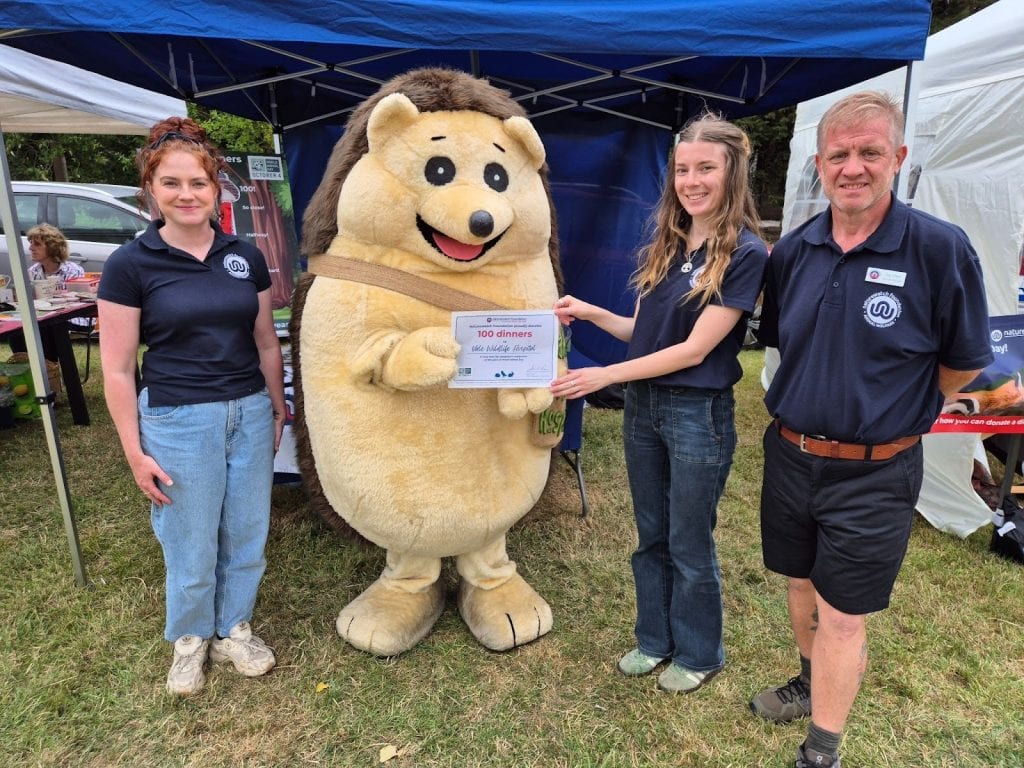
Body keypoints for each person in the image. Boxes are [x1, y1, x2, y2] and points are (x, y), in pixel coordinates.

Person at [751, 91, 993, 768]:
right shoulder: (794, 250)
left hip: (877, 469)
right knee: (799, 583)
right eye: (839, 155)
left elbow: (965, 362)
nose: (852, 167)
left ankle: (821, 749)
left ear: (899, 159)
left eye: (869, 153)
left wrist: (900, 414)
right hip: (793, 455)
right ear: (821, 165)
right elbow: (782, 345)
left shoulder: (941, 250)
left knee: (844, 611)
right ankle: (806, 680)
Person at [552, 113, 768, 693]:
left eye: (706, 168)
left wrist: (601, 377)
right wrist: (593, 313)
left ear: (732, 173)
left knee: (689, 541)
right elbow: (645, 335)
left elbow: (695, 351)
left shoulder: (745, 253)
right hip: (644, 409)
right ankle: (655, 640)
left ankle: (699, 653)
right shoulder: (668, 247)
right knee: (651, 535)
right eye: (682, 169)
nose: (691, 181)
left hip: (698, 415)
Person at [98, 117, 286, 696]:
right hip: (179, 419)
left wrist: (276, 405)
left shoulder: (243, 256)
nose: (186, 195)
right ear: (151, 190)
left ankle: (234, 628)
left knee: (247, 530)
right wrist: (134, 452)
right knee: (190, 535)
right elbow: (117, 368)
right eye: (172, 183)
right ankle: (190, 638)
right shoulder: (130, 264)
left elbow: (263, 340)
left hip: (248, 412)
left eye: (198, 183)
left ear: (216, 188)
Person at [6, 224, 86, 363]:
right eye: (31, 243)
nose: (31, 248)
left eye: (37, 244)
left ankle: (48, 368)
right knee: (17, 330)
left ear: (52, 247)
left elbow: (77, 304)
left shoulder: (73, 270)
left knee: (45, 326)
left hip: (72, 317)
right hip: (44, 316)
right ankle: (27, 365)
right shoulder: (33, 271)